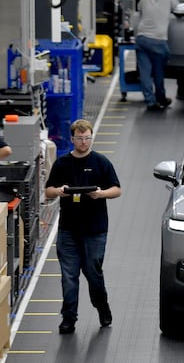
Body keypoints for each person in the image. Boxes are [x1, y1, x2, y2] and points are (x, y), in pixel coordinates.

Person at [45, 119, 121, 334]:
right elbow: (48, 191)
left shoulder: (101, 162)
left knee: (92, 272)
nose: (84, 142)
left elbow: (117, 189)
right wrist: (59, 190)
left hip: (95, 229)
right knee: (69, 276)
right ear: (72, 139)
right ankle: (68, 317)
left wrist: (100, 194)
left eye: (87, 138)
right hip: (68, 229)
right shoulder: (62, 164)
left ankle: (102, 307)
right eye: (80, 138)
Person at [135, 0, 178, 111]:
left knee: (145, 72)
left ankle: (150, 101)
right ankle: (161, 98)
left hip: (142, 38)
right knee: (158, 72)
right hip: (159, 41)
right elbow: (178, 9)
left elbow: (139, 10)